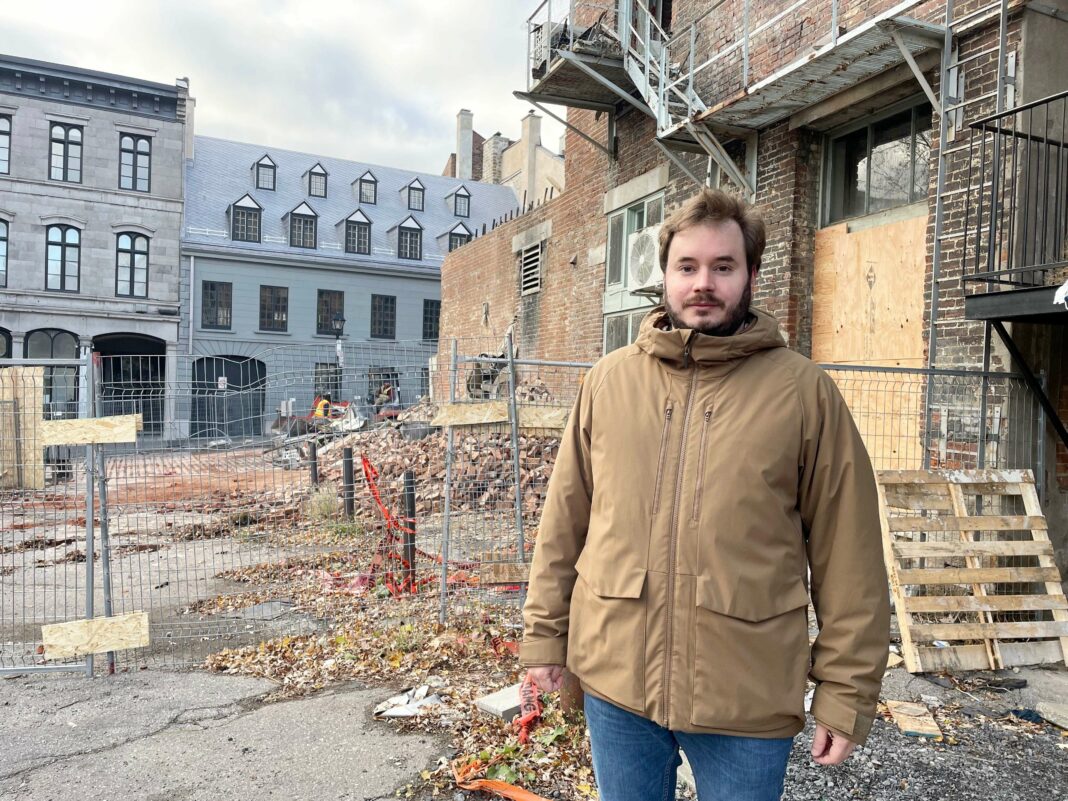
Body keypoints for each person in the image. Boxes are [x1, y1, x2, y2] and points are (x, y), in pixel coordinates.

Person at [521, 188, 889, 801]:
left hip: (744, 695)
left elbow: (849, 555)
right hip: (616, 681)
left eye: (723, 267)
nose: (703, 283)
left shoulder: (803, 394)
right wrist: (544, 637)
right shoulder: (608, 383)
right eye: (686, 267)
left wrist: (845, 694)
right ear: (664, 275)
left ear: (750, 276)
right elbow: (564, 524)